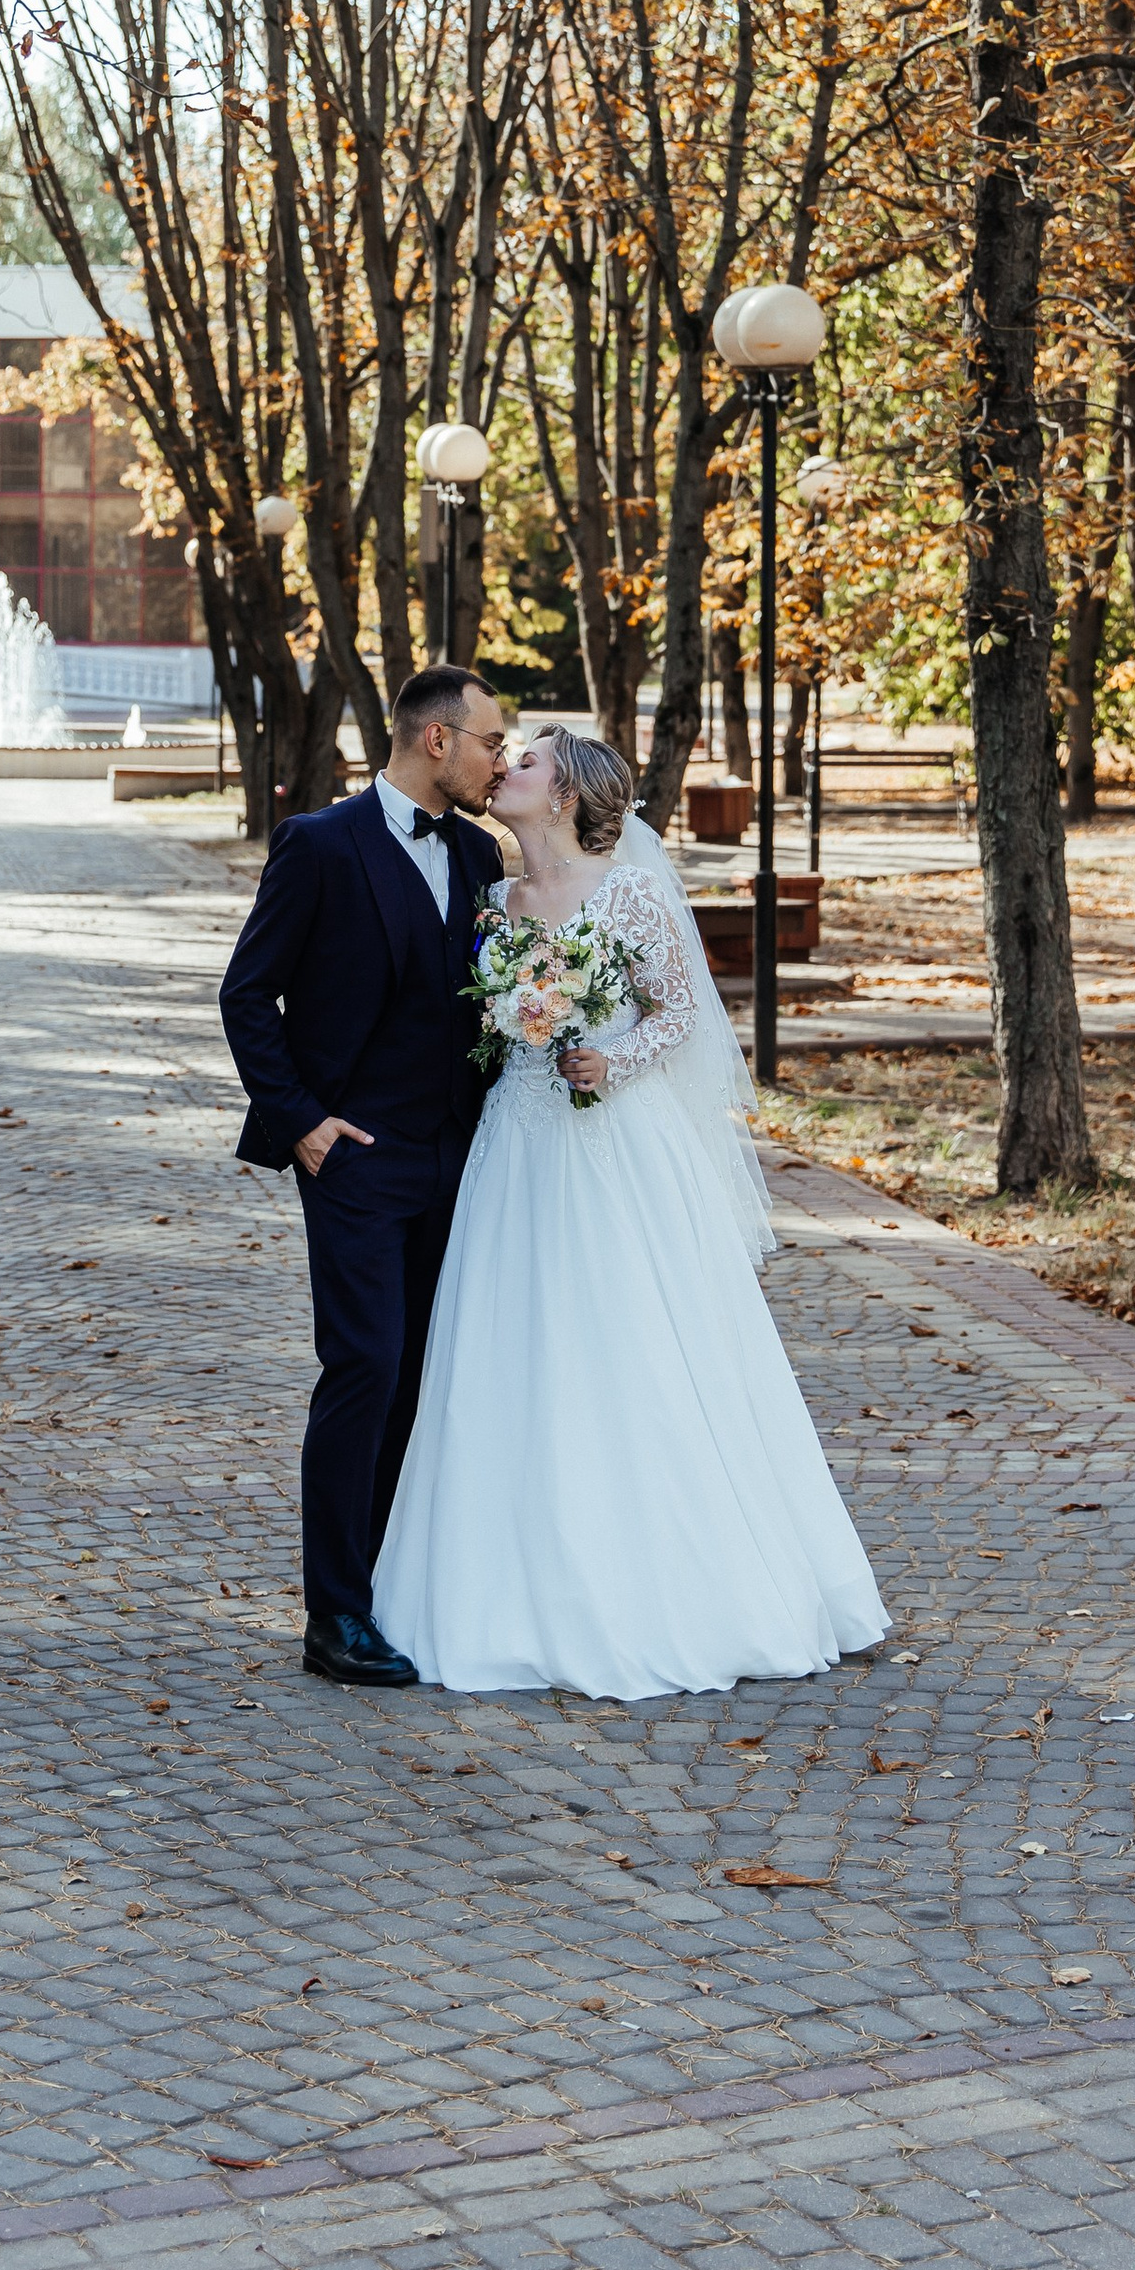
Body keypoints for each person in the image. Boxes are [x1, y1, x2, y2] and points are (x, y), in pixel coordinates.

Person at [373, 724, 889, 1700]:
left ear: (563, 794)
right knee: (511, 1348)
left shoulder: (629, 890)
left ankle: (672, 1581)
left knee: (630, 1345)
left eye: (522, 760)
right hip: (516, 1148)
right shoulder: (494, 901)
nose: (501, 767)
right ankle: (501, 1585)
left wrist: (612, 1059)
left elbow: (680, 1013)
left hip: (614, 1146)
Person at [219, 663, 508, 1689]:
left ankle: (391, 1586)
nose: (496, 759)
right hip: (352, 1159)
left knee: (423, 1380)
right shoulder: (317, 846)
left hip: (455, 1159)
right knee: (365, 1369)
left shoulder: (481, 854)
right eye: (486, 740)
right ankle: (332, 1613)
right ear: (435, 740)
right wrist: (300, 1125)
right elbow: (247, 994)